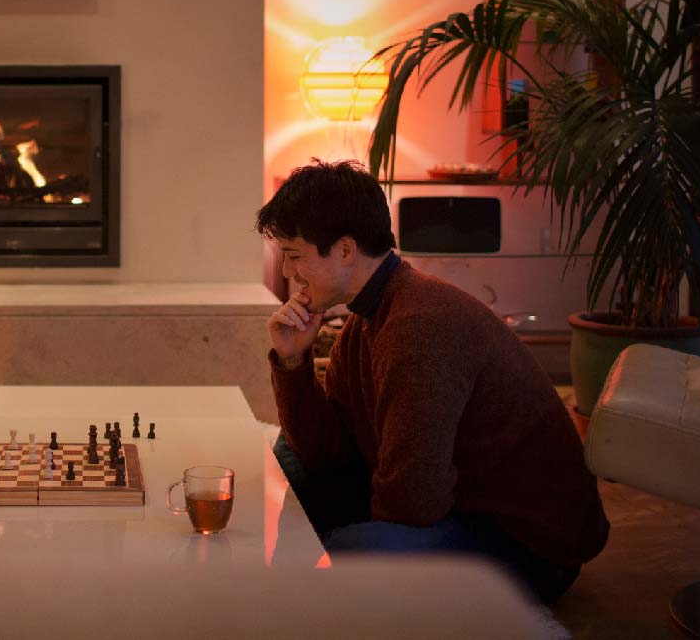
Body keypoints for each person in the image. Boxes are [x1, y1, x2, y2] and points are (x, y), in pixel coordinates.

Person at [258, 160, 608, 602]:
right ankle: (291, 582)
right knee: (291, 455)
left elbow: (412, 504)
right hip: (453, 504)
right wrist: (293, 361)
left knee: (352, 551)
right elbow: (327, 452)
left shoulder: (419, 327)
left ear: (345, 251)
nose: (289, 273)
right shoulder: (364, 321)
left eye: (295, 256)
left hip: (528, 545)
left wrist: (340, 525)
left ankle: (310, 580)